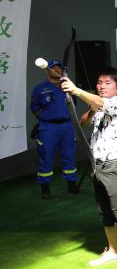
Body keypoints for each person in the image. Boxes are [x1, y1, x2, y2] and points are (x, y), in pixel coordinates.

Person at [61, 67, 117, 269]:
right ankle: (113, 250)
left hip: (115, 165)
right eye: (100, 82)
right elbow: (82, 123)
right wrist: (92, 109)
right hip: (97, 166)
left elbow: (102, 103)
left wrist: (76, 91)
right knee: (105, 213)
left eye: (108, 83)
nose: (102, 86)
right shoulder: (98, 105)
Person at [29, 59, 78, 198]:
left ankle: (72, 186)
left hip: (66, 126)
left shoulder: (68, 87)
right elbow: (34, 108)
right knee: (46, 156)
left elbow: (73, 105)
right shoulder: (39, 88)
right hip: (48, 127)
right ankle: (45, 189)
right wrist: (45, 119)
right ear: (47, 71)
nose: (56, 70)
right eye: (53, 68)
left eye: (59, 68)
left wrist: (69, 89)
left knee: (69, 155)